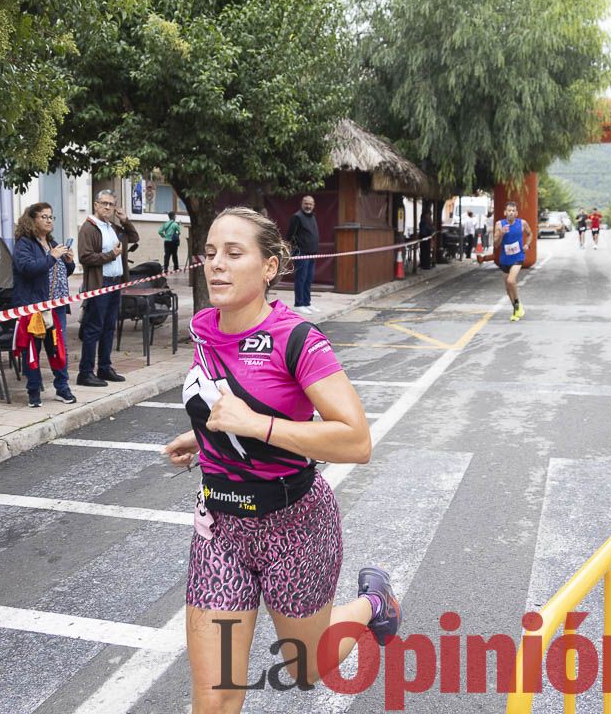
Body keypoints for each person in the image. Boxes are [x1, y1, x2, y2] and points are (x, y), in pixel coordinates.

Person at [162, 207, 400, 710]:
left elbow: (356, 441)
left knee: (307, 666)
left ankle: (374, 603)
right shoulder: (205, 330)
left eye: (233, 253)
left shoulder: (297, 340)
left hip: (295, 526)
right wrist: (202, 435)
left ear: (269, 267)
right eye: (209, 254)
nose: (216, 265)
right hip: (221, 531)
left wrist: (255, 426)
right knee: (215, 700)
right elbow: (226, 401)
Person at [12, 203, 76, 408]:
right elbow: (27, 268)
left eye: (51, 217)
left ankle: (62, 389)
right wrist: (52, 257)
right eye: (44, 216)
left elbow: (61, 272)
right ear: (32, 220)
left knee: (58, 348)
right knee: (32, 349)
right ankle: (34, 393)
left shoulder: (51, 242)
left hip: (56, 305)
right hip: (34, 306)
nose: (49, 220)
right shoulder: (25, 243)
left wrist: (69, 261)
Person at [76, 189, 140, 388]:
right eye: (103, 203)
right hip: (99, 283)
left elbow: (134, 237)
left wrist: (125, 220)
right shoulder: (88, 227)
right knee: (93, 328)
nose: (107, 207)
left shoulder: (112, 226)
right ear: (95, 204)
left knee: (109, 327)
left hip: (116, 282)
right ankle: (85, 372)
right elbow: (84, 257)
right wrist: (111, 255)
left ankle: (104, 367)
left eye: (111, 204)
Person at [493, 201, 532, 322]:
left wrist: (527, 245)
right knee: (507, 287)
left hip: (518, 257)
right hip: (505, 259)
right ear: (505, 212)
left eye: (513, 211)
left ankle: (516, 308)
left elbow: (530, 234)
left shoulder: (522, 223)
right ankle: (517, 307)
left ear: (516, 213)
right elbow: (495, 245)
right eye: (509, 210)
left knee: (511, 281)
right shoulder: (499, 224)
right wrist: (501, 234)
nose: (511, 212)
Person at [286, 195, 319, 315]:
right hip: (301, 253)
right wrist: (296, 249)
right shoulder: (297, 217)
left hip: (311, 253)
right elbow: (290, 236)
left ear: (313, 205)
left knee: (309, 279)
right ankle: (299, 304)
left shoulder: (313, 217)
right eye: (306, 203)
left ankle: (307, 303)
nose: (308, 206)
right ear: (302, 203)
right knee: (301, 278)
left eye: (310, 204)